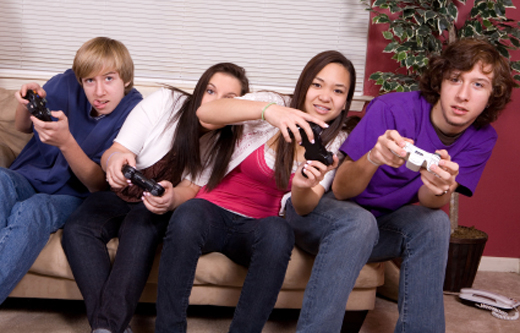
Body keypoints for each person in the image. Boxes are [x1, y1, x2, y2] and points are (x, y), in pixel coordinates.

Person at [284, 37, 516, 332]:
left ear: (491, 95)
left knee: (435, 223)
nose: (463, 95)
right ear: (440, 81)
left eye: (478, 84)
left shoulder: (483, 137)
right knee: (358, 220)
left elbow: (430, 203)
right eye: (455, 79)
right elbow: (341, 190)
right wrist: (374, 157)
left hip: (380, 227)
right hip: (324, 216)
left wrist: (439, 188)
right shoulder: (391, 108)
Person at [155, 50, 357, 333]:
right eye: (317, 84)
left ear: (346, 102)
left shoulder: (336, 142)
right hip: (212, 211)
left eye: (338, 91)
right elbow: (205, 113)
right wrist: (269, 112)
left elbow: (305, 206)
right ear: (304, 85)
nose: (325, 96)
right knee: (188, 215)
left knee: (280, 232)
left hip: (259, 227)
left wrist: (300, 186)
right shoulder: (273, 104)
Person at [61, 63, 249, 333]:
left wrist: (171, 200)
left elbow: (191, 189)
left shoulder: (225, 143)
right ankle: (110, 326)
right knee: (78, 228)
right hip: (119, 193)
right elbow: (115, 151)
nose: (215, 102)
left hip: (155, 207)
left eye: (229, 99)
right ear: (199, 91)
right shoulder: (166, 102)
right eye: (210, 91)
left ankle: (106, 328)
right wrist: (115, 162)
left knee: (139, 228)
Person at [0, 37, 142, 304]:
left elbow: (98, 185)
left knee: (35, 209)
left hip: (75, 194)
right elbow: (22, 127)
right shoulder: (64, 82)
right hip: (29, 176)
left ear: (125, 79)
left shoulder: (135, 110)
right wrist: (24, 102)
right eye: (89, 81)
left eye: (109, 79)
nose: (99, 91)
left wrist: (66, 143)